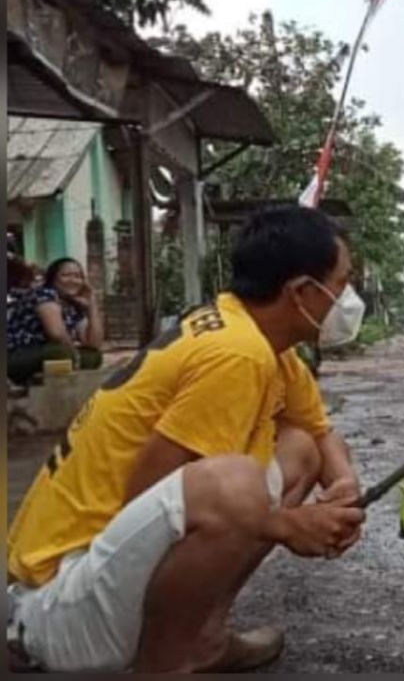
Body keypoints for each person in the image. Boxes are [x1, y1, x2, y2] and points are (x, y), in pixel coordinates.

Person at [7, 206, 368, 673]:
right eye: (341, 284)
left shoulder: (252, 336)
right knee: (234, 484)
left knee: (297, 450)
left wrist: (344, 486)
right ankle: (164, 666)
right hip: (56, 606)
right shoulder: (237, 355)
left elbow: (319, 433)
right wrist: (289, 525)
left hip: (97, 575)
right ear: (301, 291)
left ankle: (204, 639)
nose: (348, 298)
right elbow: (151, 492)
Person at [6, 257, 104, 384]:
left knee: (94, 356)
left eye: (78, 276)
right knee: (60, 353)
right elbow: (56, 333)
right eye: (66, 275)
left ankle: (65, 375)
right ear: (53, 278)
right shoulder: (44, 294)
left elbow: (94, 343)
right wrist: (75, 353)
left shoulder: (72, 304)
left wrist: (92, 306)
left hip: (56, 353)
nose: (73, 280)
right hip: (18, 354)